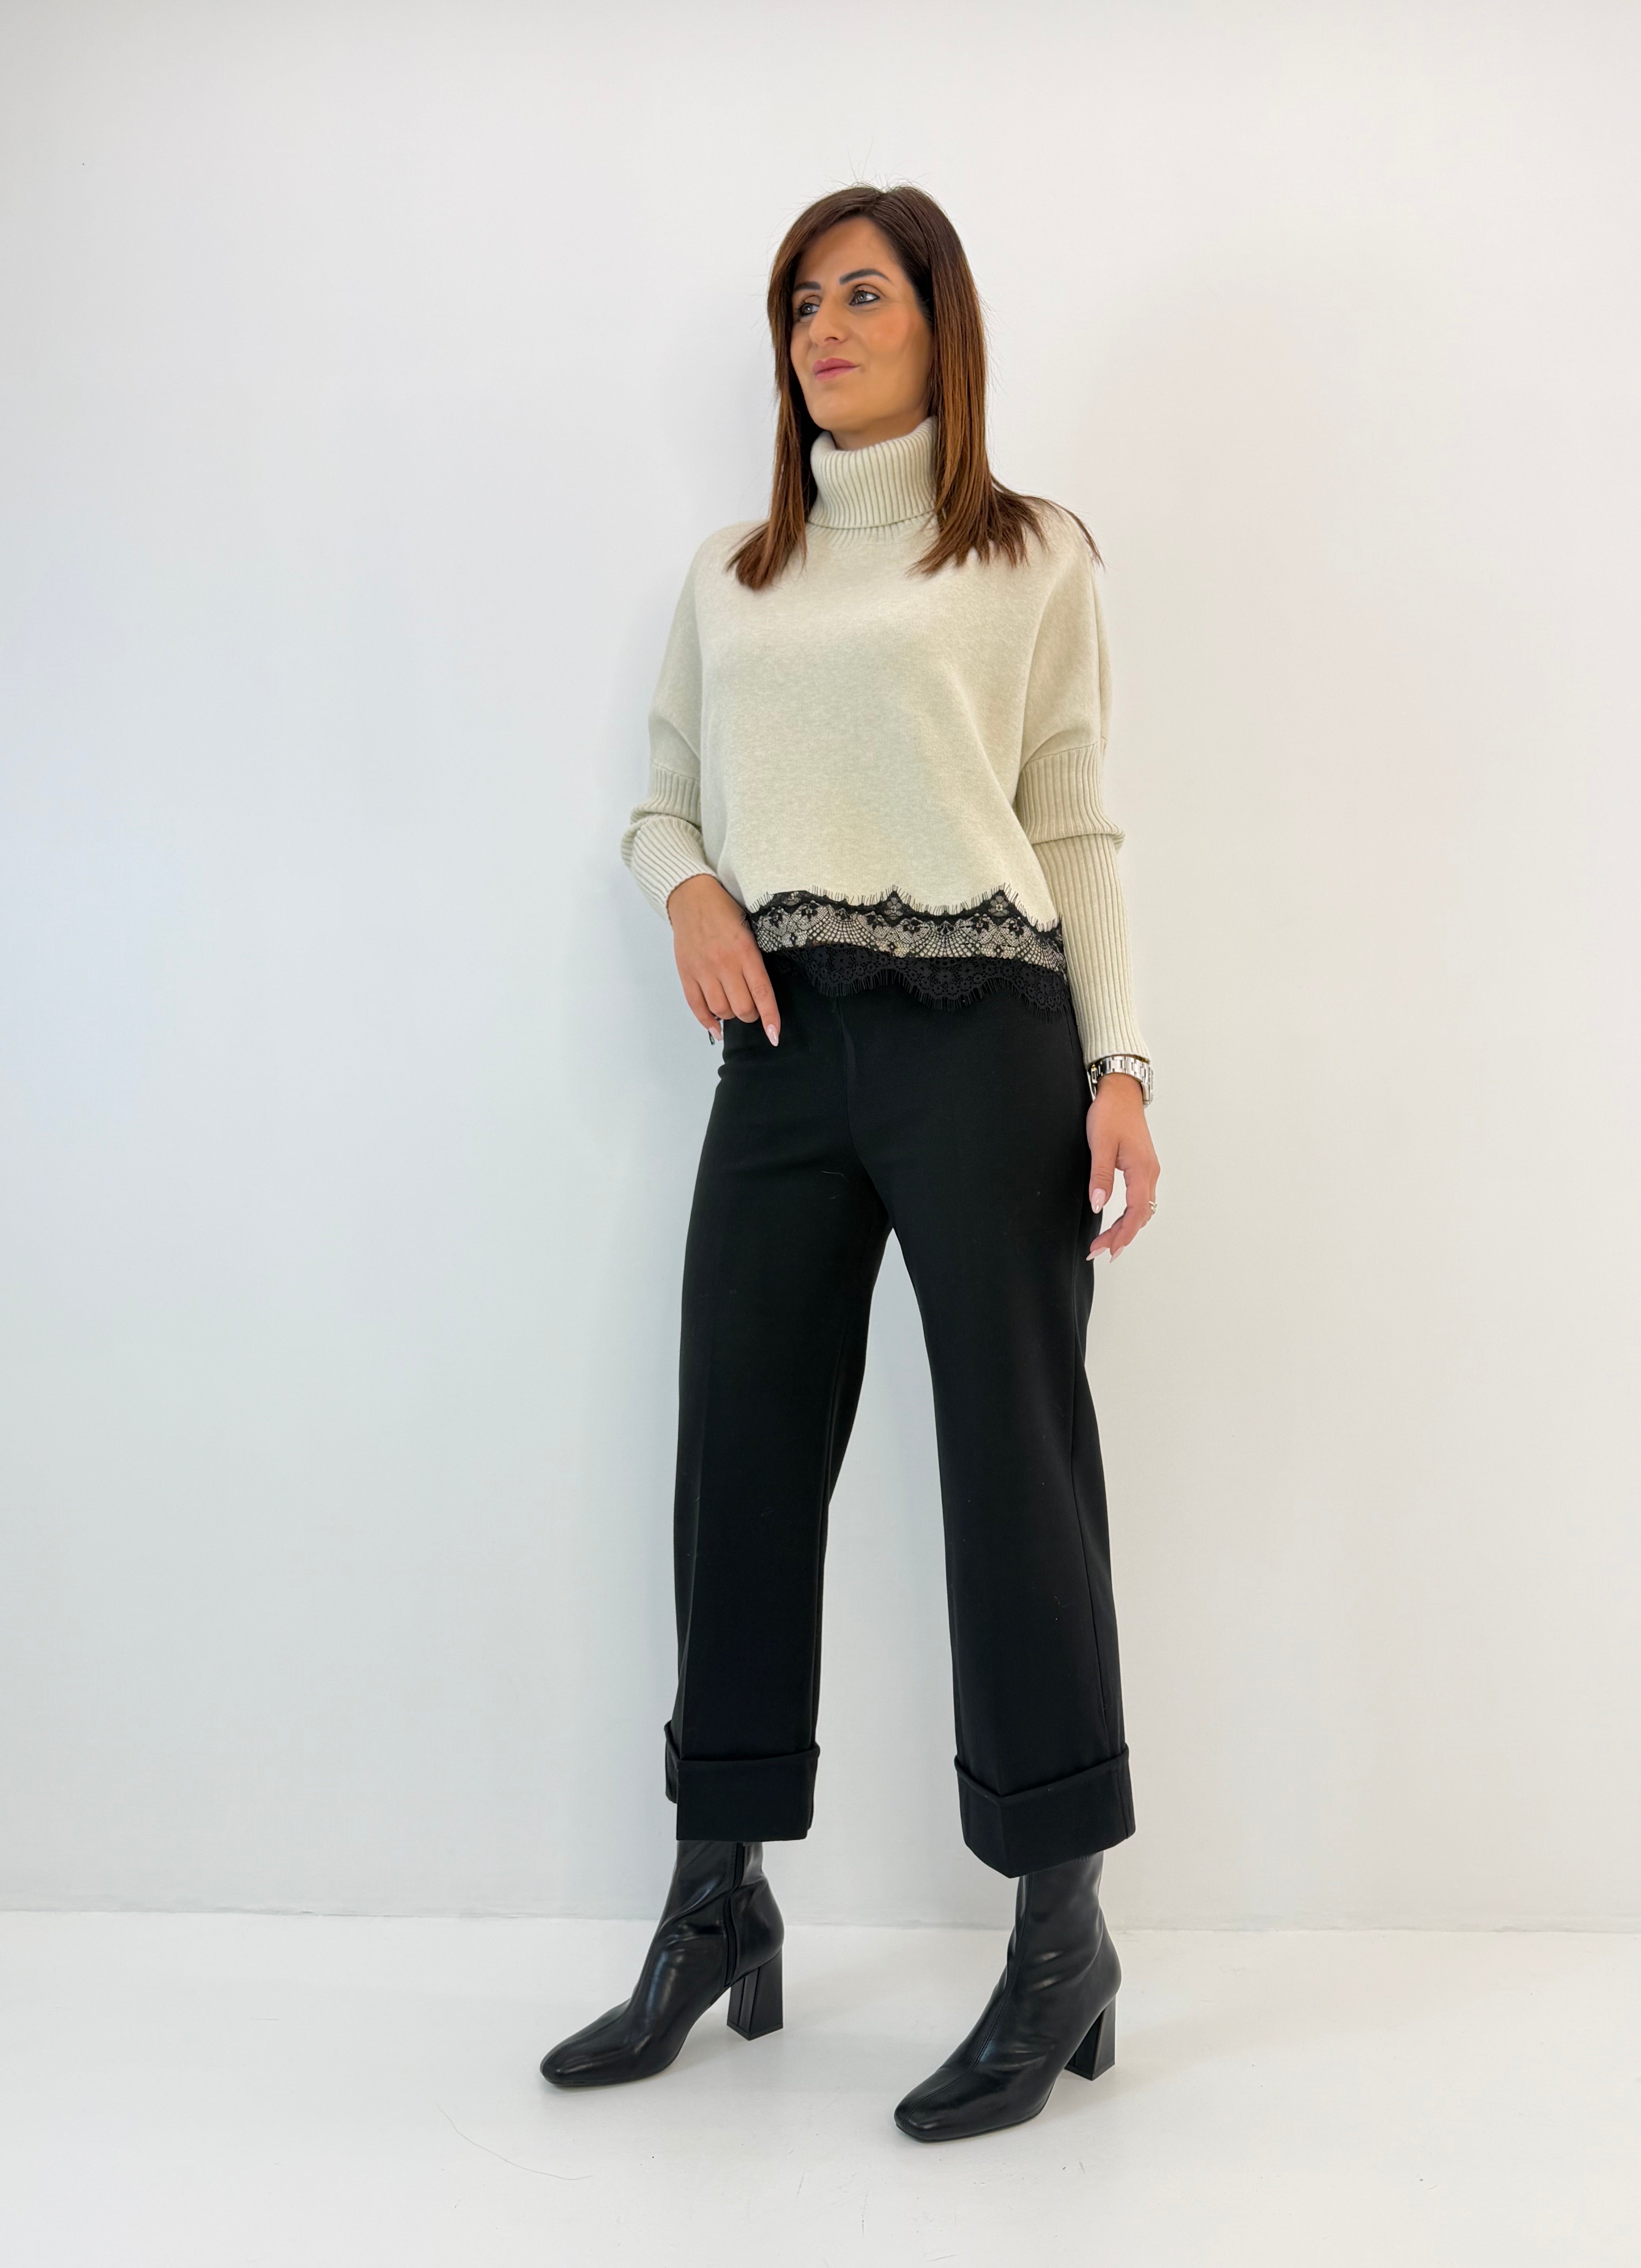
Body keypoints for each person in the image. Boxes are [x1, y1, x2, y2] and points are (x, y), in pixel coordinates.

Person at [541, 182, 1159, 2143]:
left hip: (990, 1044)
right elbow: (658, 799)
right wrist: (691, 888)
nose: (823, 325)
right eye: (802, 298)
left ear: (937, 326)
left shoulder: (1030, 553)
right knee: (736, 1452)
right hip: (788, 1051)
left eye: (864, 293)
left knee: (1016, 1473)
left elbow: (1073, 820)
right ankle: (715, 1899)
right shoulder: (736, 577)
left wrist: (1123, 1068)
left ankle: (1061, 1936)